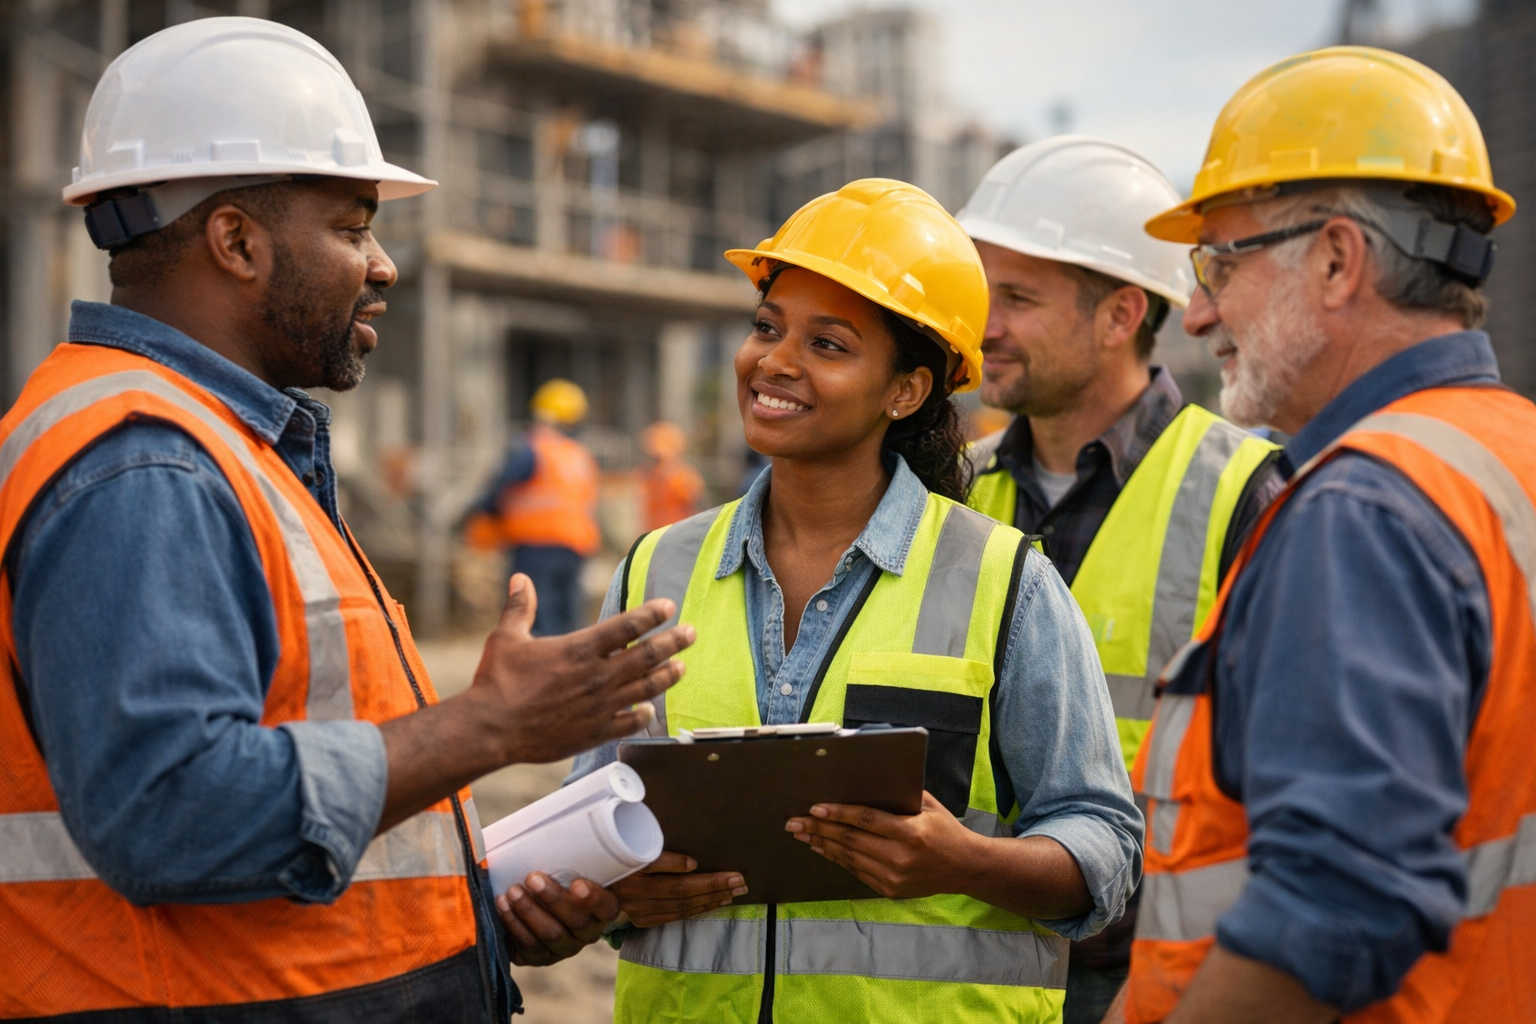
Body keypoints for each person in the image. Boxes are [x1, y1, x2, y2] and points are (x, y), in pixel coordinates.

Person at [0, 19, 694, 1022]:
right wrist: (487, 724)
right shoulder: (143, 464)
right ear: (236, 240)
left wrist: (472, 910)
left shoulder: (221, 448)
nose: (384, 265)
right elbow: (169, 812)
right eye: (352, 225)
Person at [537, 179, 1143, 1023]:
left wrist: (963, 862)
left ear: (907, 391)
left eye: (828, 344)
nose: (774, 361)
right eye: (766, 327)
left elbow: (1106, 847)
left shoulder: (1005, 583)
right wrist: (611, 884)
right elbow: (593, 822)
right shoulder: (654, 571)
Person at [1112, 46, 1536, 1023]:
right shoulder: (1502, 462)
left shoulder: (1365, 512)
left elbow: (1339, 902)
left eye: (1220, 259)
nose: (1201, 308)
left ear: (1339, 259)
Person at [955, 137, 1282, 1024]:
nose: (984, 326)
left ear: (1120, 314)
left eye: (1016, 299)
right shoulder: (954, 489)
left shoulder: (1246, 491)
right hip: (969, 967)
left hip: (1154, 973)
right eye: (984, 294)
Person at [467, 378, 601, 635]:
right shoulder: (580, 455)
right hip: (576, 547)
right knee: (569, 621)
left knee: (533, 618)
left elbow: (498, 488)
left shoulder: (532, 447)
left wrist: (479, 513)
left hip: (536, 545)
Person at [637, 420, 706, 530]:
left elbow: (696, 504)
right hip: (654, 536)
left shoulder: (686, 477)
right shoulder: (648, 476)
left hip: (680, 535)